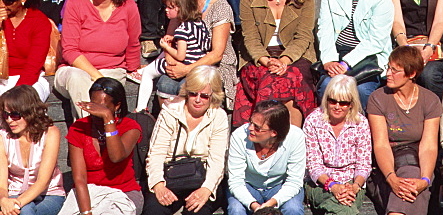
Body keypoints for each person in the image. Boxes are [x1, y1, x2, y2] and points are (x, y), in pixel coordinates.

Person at [234, 0, 316, 128]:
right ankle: (268, 136)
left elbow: (303, 36)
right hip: (259, 55)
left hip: (294, 54)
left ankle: (291, 142)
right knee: (271, 79)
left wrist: (284, 60)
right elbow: (250, 37)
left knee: (290, 78)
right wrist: (266, 61)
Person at [53, 0, 141, 117]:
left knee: (104, 91)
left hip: (112, 69)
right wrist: (98, 78)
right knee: (79, 79)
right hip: (75, 69)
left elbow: (133, 43)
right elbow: (70, 50)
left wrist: (134, 69)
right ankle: (90, 131)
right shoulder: (76, 3)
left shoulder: (129, 6)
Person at [316, 0, 393, 108]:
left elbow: (376, 40)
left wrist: (346, 64)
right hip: (337, 53)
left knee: (364, 92)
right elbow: (325, 27)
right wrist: (329, 60)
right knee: (326, 88)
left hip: (366, 58)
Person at [145, 66, 229, 215]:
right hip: (170, 174)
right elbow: (156, 153)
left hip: (202, 177)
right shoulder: (170, 111)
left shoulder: (219, 116)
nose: (197, 100)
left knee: (198, 211)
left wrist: (206, 189)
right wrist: (158, 185)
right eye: (193, 94)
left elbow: (217, 160)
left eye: (204, 96)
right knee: (154, 210)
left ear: (213, 96)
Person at [367, 45, 441, 214]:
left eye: (395, 70)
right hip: (388, 163)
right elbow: (381, 144)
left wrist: (425, 180)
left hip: (418, 161)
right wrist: (391, 178)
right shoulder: (378, 98)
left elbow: (428, 146)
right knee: (407, 182)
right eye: (388, 68)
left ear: (412, 74)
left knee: (411, 176)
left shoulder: (430, 100)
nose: (388, 74)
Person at [61, 76, 142, 215]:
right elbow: (80, 178)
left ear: (117, 106)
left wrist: (108, 118)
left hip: (123, 192)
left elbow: (116, 156)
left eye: (103, 106)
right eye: (94, 104)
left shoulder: (130, 127)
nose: (96, 110)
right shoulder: (78, 128)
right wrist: (86, 212)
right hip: (87, 193)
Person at [304, 75, 371, 215]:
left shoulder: (361, 123)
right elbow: (313, 165)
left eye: (343, 103)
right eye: (332, 101)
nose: (337, 107)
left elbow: (364, 164)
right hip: (320, 183)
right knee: (346, 210)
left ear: (351, 103)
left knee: (341, 209)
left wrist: (354, 186)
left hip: (352, 183)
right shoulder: (313, 121)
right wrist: (333, 186)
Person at [226, 99, 305, 215]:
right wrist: (255, 206)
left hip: (280, 185)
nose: (250, 128)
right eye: (250, 122)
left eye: (257, 127)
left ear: (274, 133)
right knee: (236, 210)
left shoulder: (296, 137)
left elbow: (294, 181)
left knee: (293, 209)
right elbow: (236, 181)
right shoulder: (239, 136)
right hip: (248, 185)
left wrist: (270, 204)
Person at [0, 83, 65, 214]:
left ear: (29, 112)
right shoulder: (3, 137)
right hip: (13, 194)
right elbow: (1, 183)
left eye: (15, 115)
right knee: (26, 210)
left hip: (49, 195)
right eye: (6, 115)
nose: (9, 120)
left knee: (25, 210)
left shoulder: (50, 134)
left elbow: (43, 182)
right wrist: (3, 200)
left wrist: (15, 206)